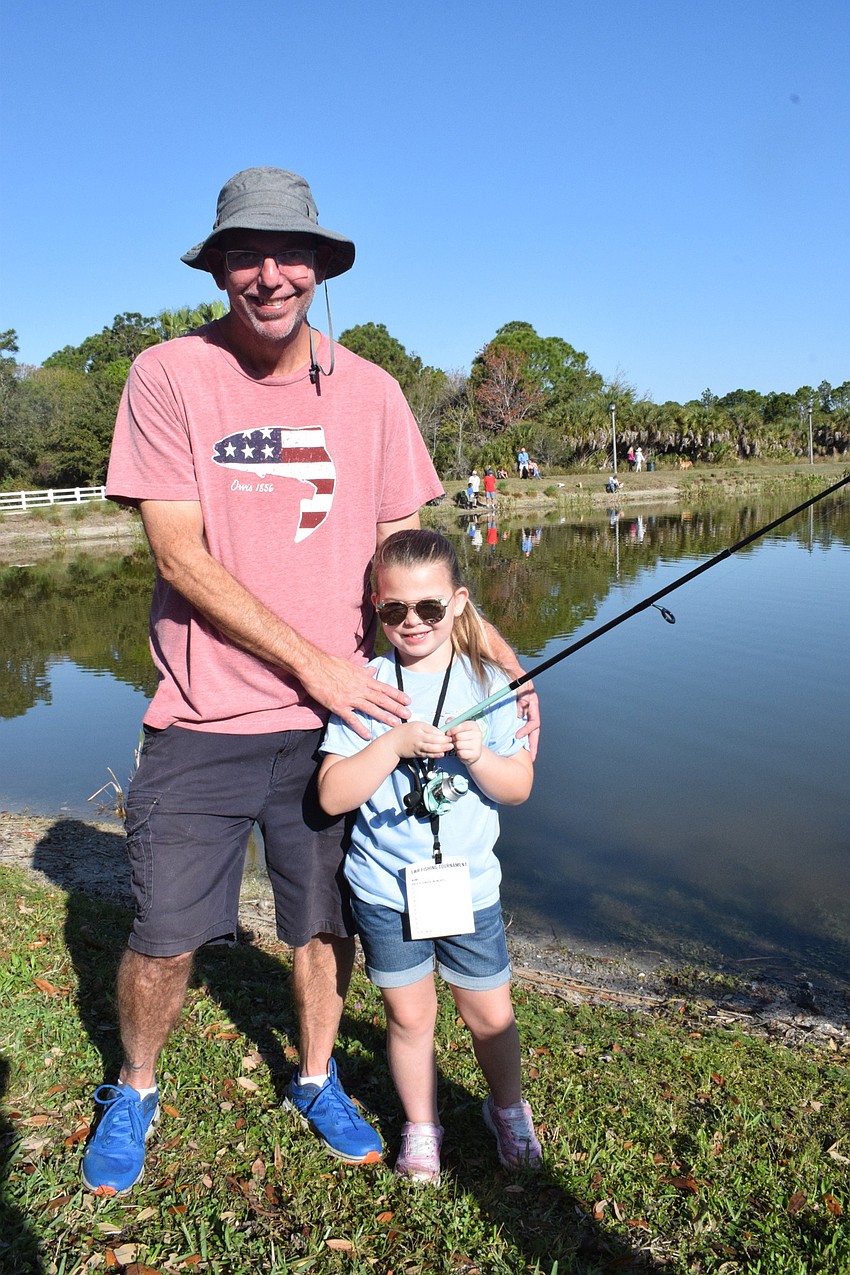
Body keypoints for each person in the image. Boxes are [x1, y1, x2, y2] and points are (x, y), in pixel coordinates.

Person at [81, 165, 540, 1197]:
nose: (270, 273)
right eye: (246, 253)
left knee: (320, 925)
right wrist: (316, 664)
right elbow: (180, 556)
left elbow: (405, 550)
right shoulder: (166, 375)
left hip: (342, 723)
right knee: (160, 931)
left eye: (290, 254)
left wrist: (492, 655)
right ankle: (137, 1086)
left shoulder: (371, 390)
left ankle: (320, 1075)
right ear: (221, 269)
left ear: (322, 268)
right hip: (207, 714)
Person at [318, 530, 541, 1183]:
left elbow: (519, 786)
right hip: (387, 888)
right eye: (394, 610)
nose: (412, 622)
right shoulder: (364, 688)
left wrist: (480, 756)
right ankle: (421, 1126)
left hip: (467, 888)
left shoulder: (491, 682)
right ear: (376, 606)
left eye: (429, 608)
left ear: (459, 602)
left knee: (490, 1013)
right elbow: (332, 793)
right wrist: (390, 744)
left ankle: (508, 1109)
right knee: (409, 1015)